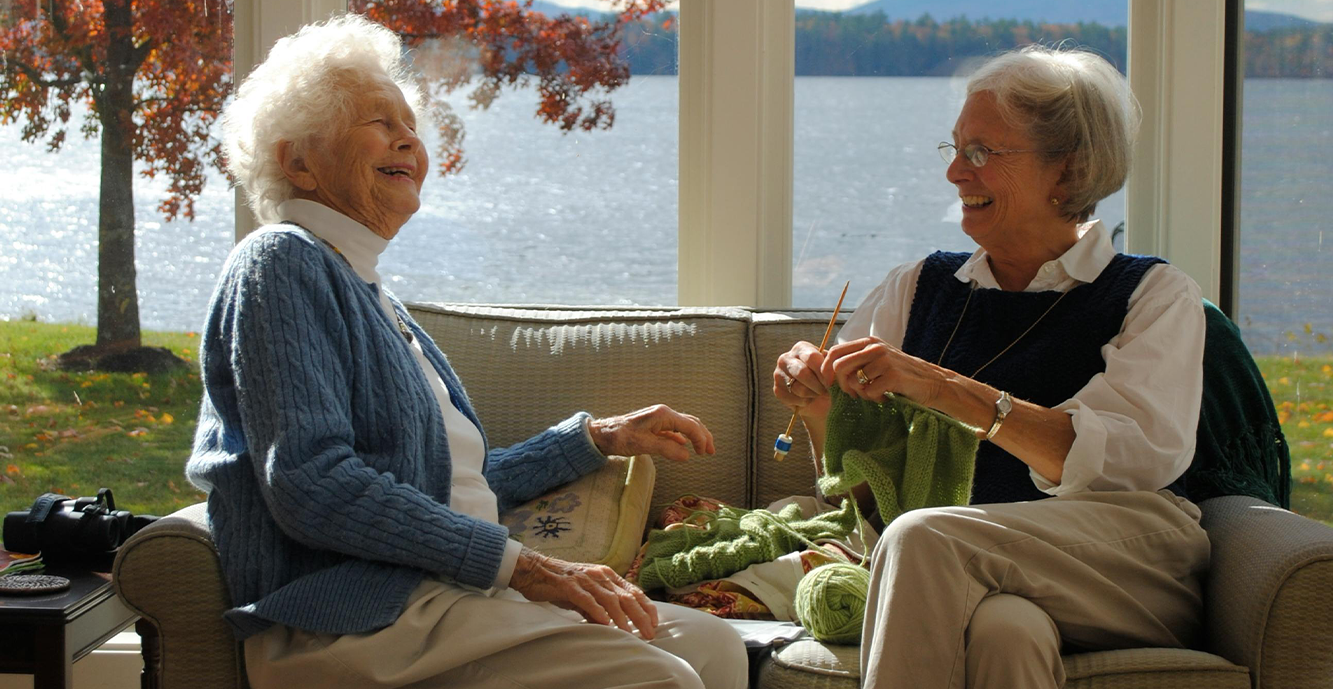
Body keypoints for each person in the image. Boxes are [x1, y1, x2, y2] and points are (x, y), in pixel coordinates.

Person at [185, 14, 747, 689]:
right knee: (662, 678)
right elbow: (313, 485)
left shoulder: (369, 291)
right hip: (349, 619)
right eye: (376, 122)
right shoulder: (279, 262)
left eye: (410, 128)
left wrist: (599, 437)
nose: (407, 140)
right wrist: (532, 567)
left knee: (715, 646)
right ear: (298, 159)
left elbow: (448, 489)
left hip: (441, 594)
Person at [774, 44, 1209, 689]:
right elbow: (866, 493)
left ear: (1070, 170)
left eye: (980, 153)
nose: (955, 173)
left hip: (1123, 563)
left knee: (925, 539)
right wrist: (818, 408)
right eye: (953, 149)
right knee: (1008, 631)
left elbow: (1129, 464)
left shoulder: (1152, 295)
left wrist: (940, 387)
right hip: (974, 568)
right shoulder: (918, 286)